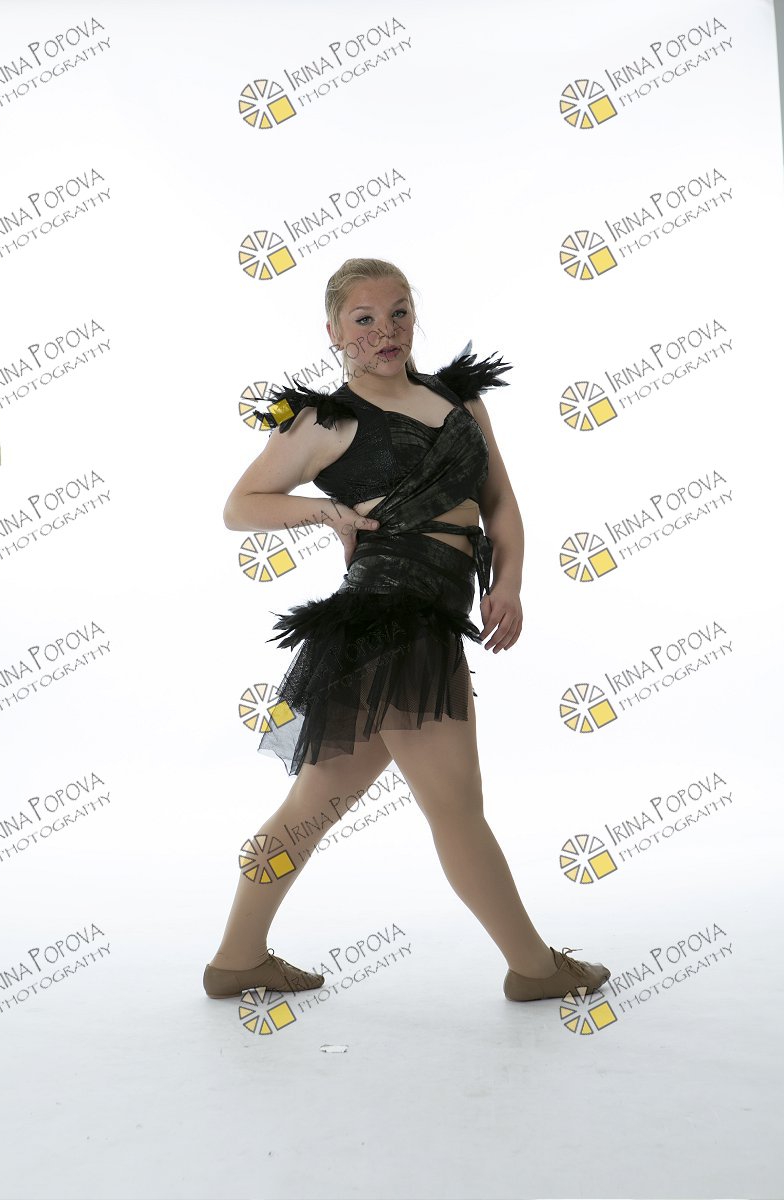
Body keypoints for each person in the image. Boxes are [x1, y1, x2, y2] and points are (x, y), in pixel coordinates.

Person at [203, 257, 610, 1005]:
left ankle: (237, 959)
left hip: (427, 621)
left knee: (313, 806)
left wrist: (508, 582)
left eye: (398, 312)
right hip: (391, 625)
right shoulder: (328, 420)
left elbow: (500, 503)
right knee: (455, 806)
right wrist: (325, 512)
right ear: (333, 332)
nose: (385, 330)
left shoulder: (459, 400)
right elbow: (241, 505)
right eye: (363, 319)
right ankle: (534, 969)